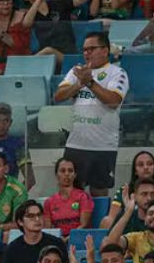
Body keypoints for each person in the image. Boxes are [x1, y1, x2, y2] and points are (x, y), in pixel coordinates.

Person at [52, 32, 129, 197]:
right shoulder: (77, 72)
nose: (86, 53)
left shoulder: (117, 73)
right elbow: (58, 96)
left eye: (91, 49)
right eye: (84, 50)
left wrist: (90, 83)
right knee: (71, 192)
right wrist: (79, 84)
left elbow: (113, 101)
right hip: (75, 143)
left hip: (102, 145)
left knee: (99, 191)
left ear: (105, 50)